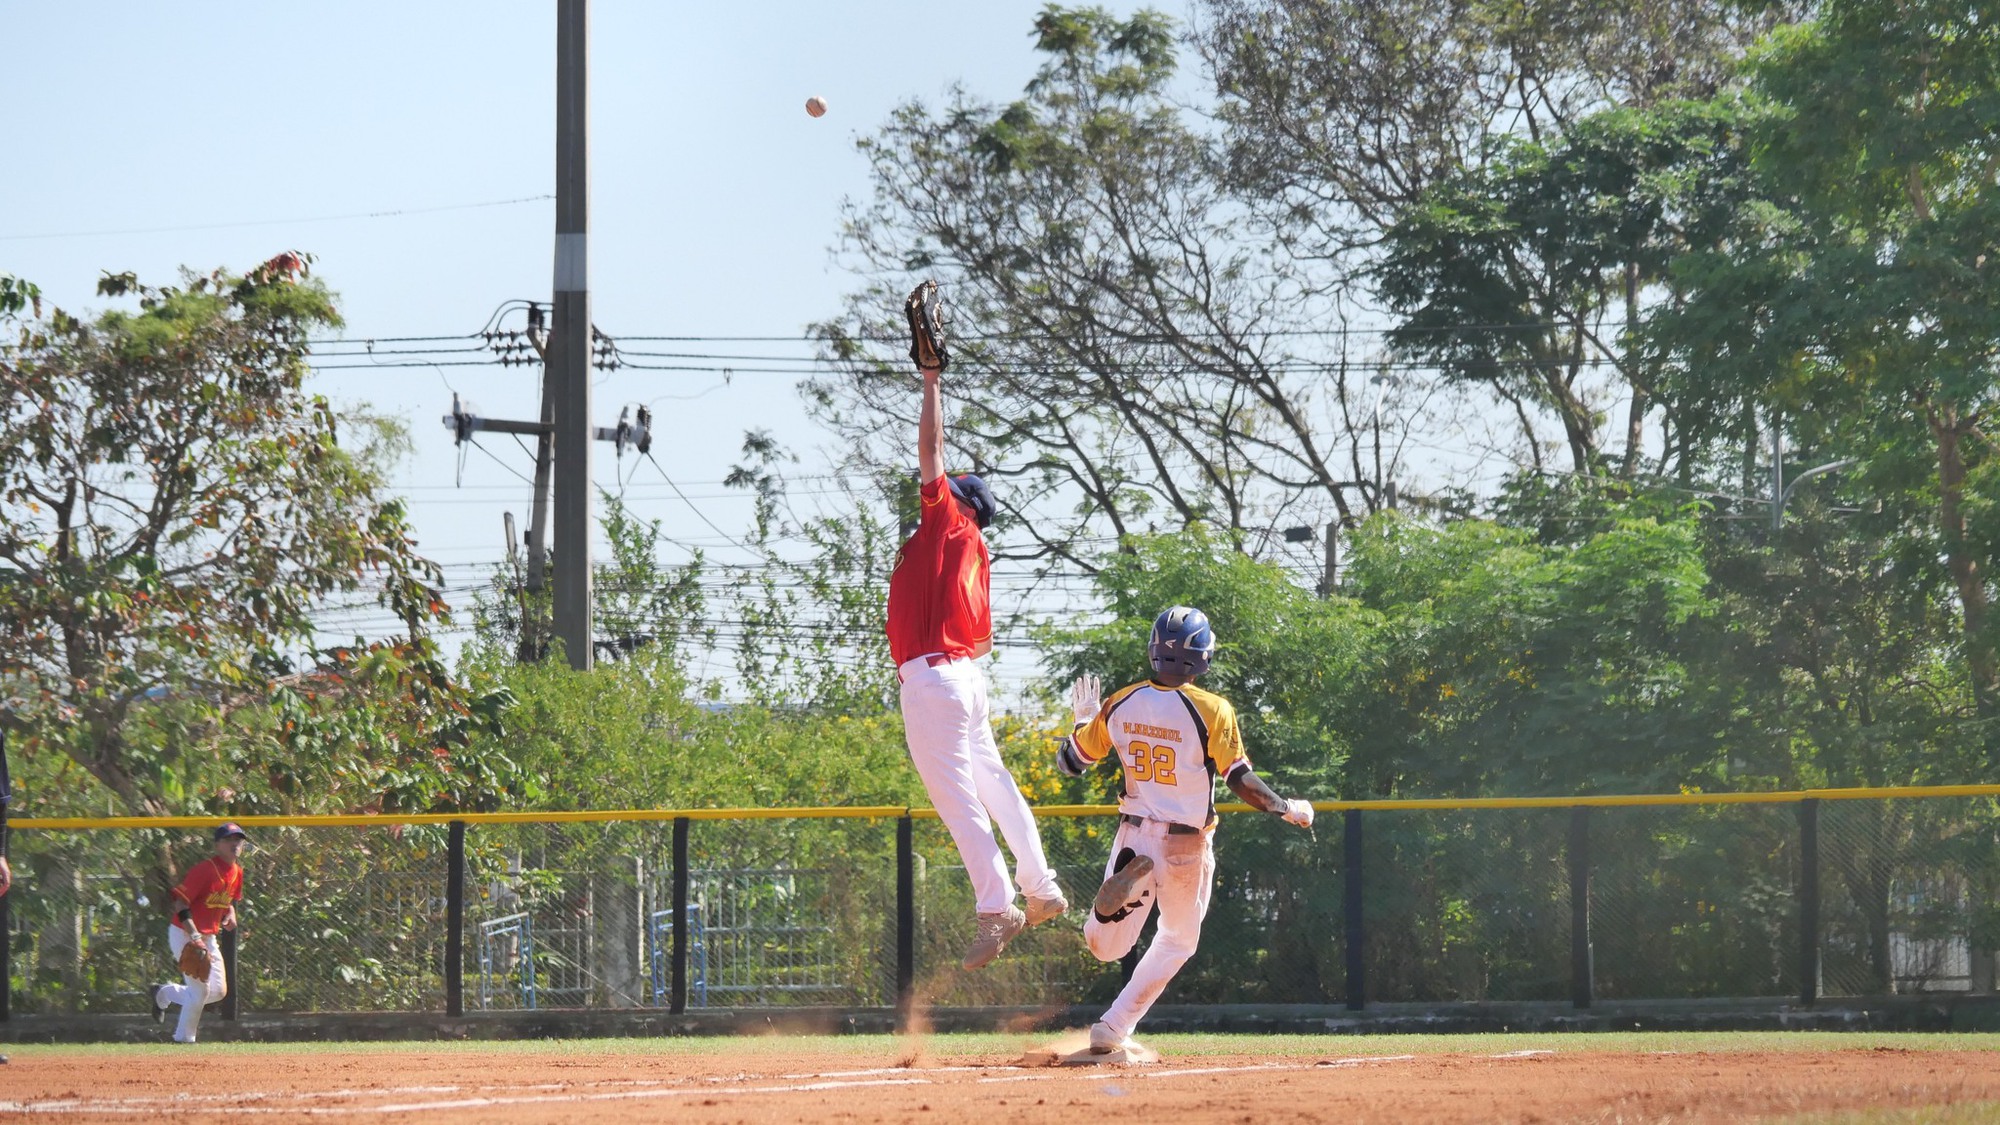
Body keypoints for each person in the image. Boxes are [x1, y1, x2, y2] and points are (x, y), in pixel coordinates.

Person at [887, 281, 1065, 969]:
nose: (931, 486)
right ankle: (1041, 884)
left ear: (957, 501)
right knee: (995, 783)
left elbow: (931, 452)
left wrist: (931, 380)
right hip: (966, 674)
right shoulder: (977, 548)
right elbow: (983, 638)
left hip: (933, 680)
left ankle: (997, 905)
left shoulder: (945, 521)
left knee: (961, 798)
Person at [1056, 606, 1316, 1055]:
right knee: (1178, 940)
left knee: (1106, 948)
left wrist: (1084, 718)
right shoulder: (1213, 709)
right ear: (1202, 656)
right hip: (1184, 841)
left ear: (1154, 652)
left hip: (1134, 832)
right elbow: (1239, 778)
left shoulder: (1121, 701)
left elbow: (1071, 762)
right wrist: (1286, 807)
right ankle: (1113, 1027)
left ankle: (1106, 914)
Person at [151, 823, 248, 1043]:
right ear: (217, 845)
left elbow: (228, 900)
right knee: (201, 991)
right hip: (184, 933)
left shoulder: (237, 872)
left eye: (238, 839)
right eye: (229, 840)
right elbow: (180, 904)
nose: (235, 844)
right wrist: (194, 937)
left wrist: (230, 912)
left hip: (208, 936)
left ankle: (163, 993)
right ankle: (184, 1039)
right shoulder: (204, 870)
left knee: (219, 991)